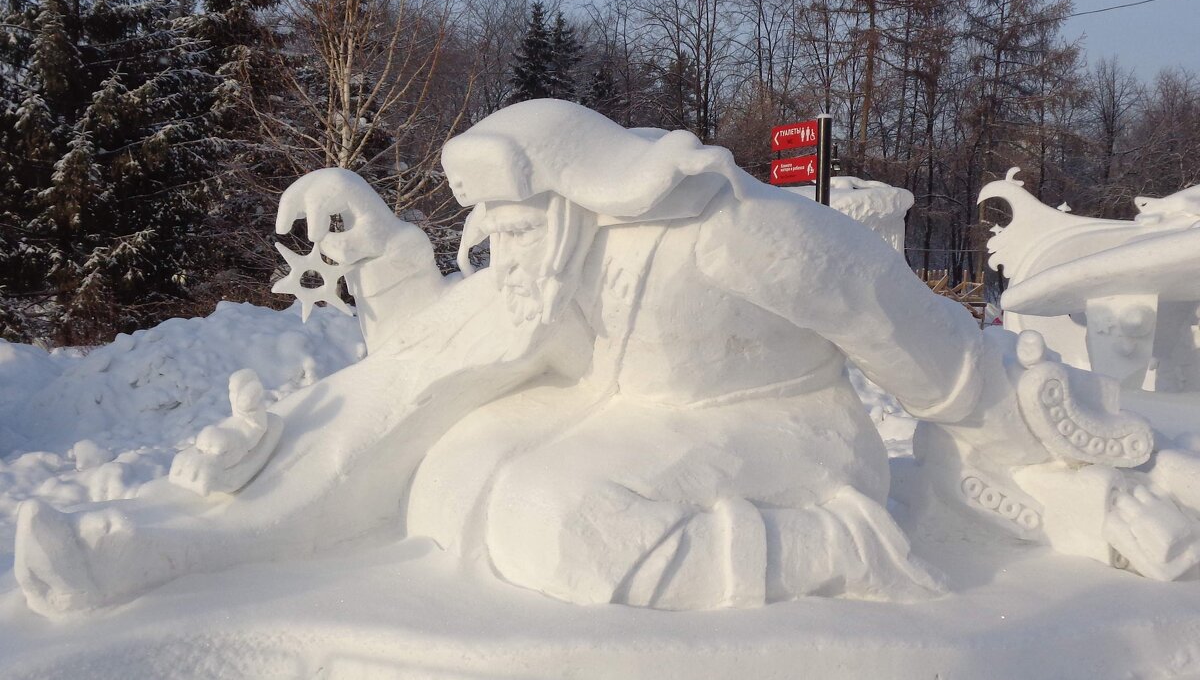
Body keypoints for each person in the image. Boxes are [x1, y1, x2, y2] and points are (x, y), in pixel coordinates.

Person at [14, 100, 1189, 616]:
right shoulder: (567, 265)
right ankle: (164, 558)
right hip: (642, 416)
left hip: (781, 430)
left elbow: (905, 330)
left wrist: (1036, 438)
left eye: (518, 226)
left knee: (547, 519)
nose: (504, 248)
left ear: (577, 196)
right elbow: (458, 354)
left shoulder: (737, 230)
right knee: (459, 476)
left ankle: (841, 545)